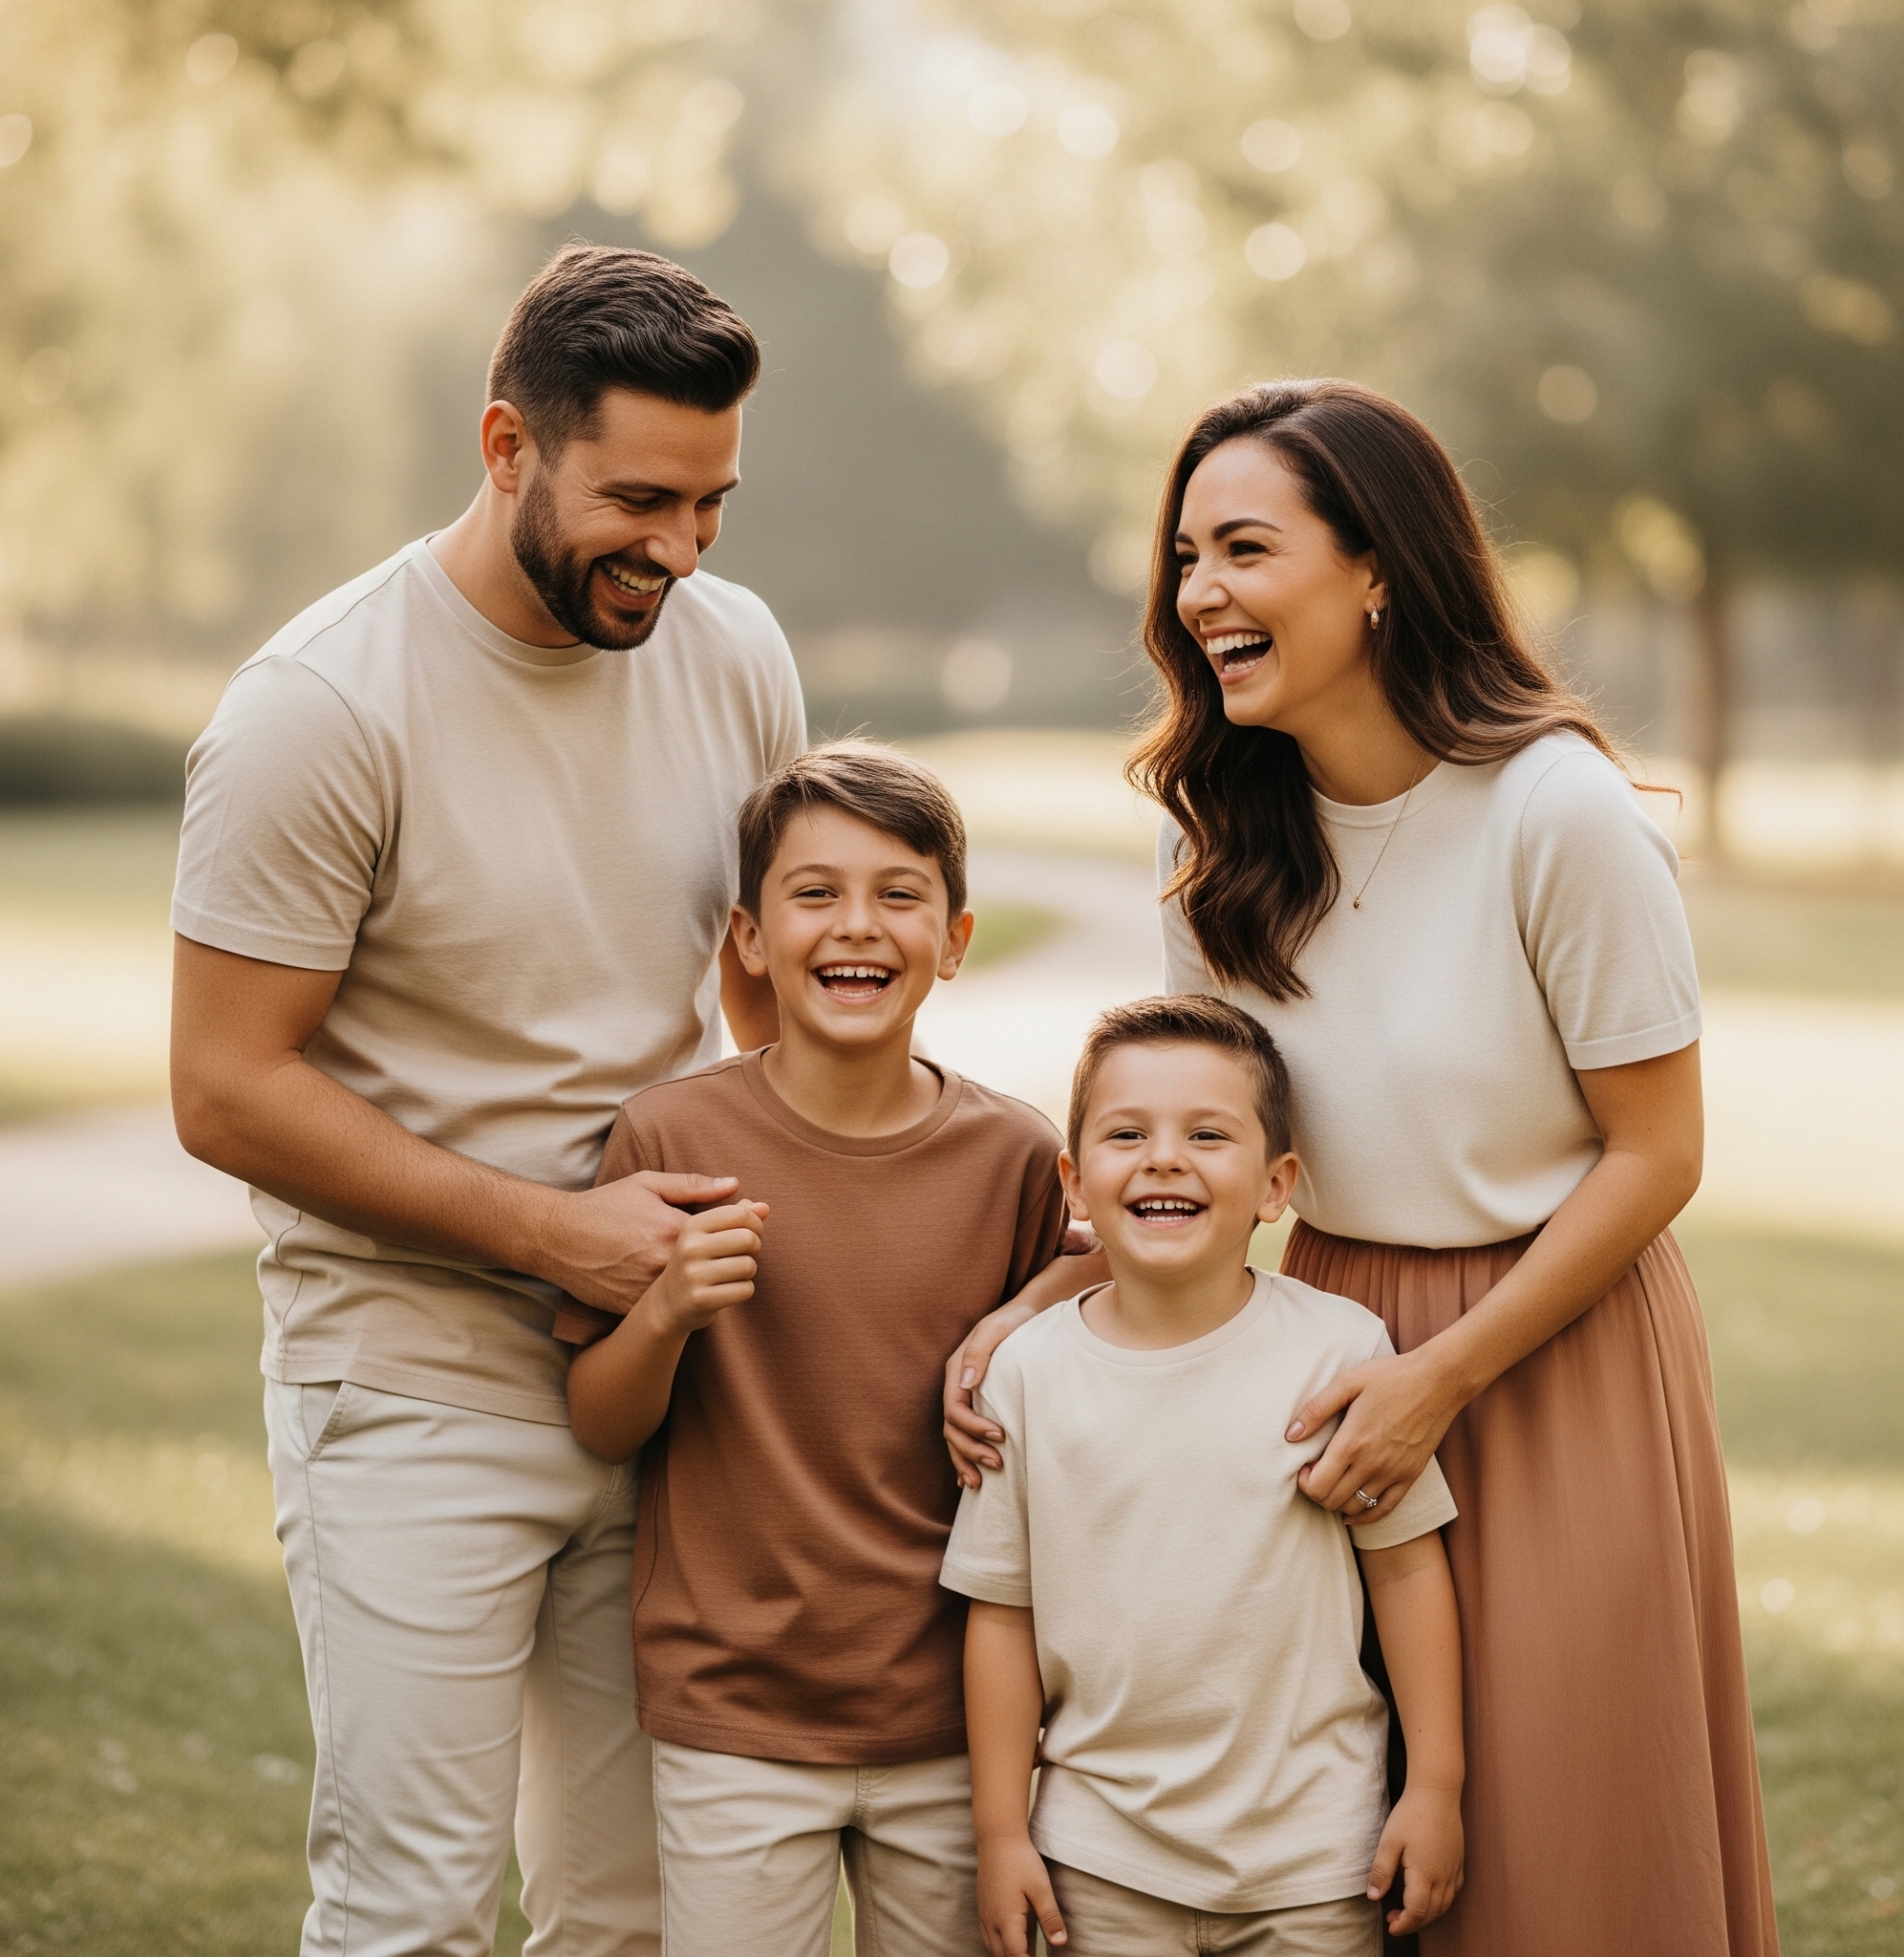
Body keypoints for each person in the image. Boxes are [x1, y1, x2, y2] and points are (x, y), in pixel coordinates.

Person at [169, 245, 805, 1957]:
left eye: (712, 505)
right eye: (639, 501)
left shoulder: (734, 649)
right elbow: (225, 1090)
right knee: (414, 1917)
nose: (681, 552)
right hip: (408, 1381)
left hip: (665, 1378)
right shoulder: (319, 710)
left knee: (631, 1915)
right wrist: (558, 1235)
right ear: (506, 445)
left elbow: (758, 990)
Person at [1123, 379, 1771, 1955]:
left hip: (1558, 1352)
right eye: (1187, 555)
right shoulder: (1209, 837)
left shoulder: (1558, 813)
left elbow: (1658, 1152)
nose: (1200, 593)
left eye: (1245, 548)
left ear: (1375, 569)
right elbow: (1191, 1150)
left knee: (1562, 1831)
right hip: (1331, 1348)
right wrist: (1035, 1311)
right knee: (1352, 1836)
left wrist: (1445, 1375)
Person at [555, 742, 1087, 1957]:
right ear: (748, 937)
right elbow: (599, 1420)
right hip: (732, 1717)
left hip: (956, 1716)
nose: (857, 925)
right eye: (814, 893)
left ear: (954, 938)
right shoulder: (669, 1134)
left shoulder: (1013, 1154)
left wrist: (1034, 1300)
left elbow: (1115, 1285)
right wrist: (666, 1311)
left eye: (898, 894)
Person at [946, 995, 1465, 1957]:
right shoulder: (1028, 1374)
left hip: (1313, 1857)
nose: (1163, 1158)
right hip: (1100, 1858)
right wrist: (1000, 1831)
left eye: (1207, 1134)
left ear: (1275, 1185)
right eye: (1127, 1133)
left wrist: (1433, 1787)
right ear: (1074, 1182)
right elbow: (1002, 1616)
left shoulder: (1340, 1352)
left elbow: (1404, 1570)